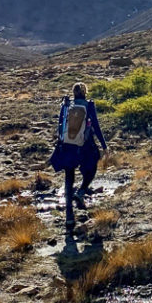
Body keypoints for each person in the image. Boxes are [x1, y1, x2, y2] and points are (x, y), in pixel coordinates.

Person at [50, 82, 107, 235]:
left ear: (73, 93)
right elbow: (95, 125)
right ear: (85, 92)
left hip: (67, 146)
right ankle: (81, 192)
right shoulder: (89, 105)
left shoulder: (67, 104)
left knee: (69, 177)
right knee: (92, 168)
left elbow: (60, 124)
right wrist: (104, 145)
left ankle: (69, 216)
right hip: (84, 146)